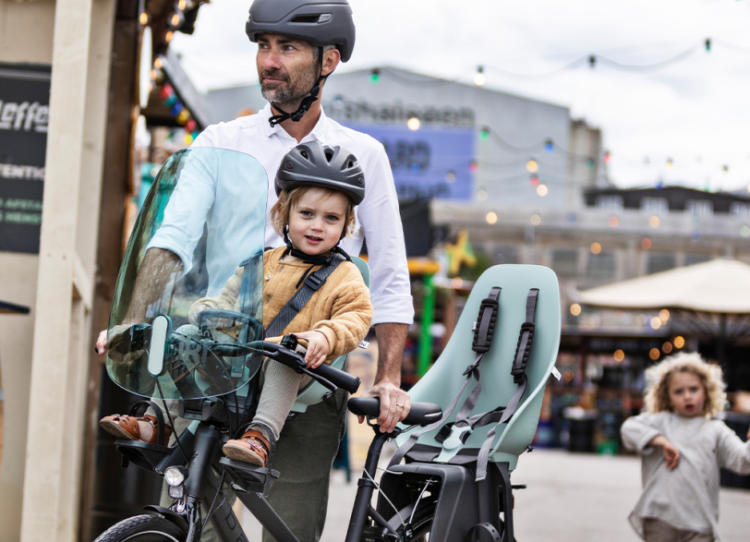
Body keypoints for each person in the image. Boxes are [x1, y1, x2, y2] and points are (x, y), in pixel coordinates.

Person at [97, 2, 413, 537]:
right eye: (263, 46)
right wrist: (138, 314)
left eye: (287, 47)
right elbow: (172, 239)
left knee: (288, 525)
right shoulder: (220, 143)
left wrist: (388, 378)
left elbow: (388, 275)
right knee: (194, 515)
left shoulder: (364, 155)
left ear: (329, 60)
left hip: (307, 373)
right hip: (221, 361)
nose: (269, 60)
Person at [621, 352, 750, 542]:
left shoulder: (716, 430)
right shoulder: (661, 422)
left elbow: (743, 461)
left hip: (700, 524)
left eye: (694, 389)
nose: (687, 396)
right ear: (668, 396)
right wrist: (661, 441)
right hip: (660, 518)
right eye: (678, 391)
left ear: (707, 391)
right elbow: (628, 429)